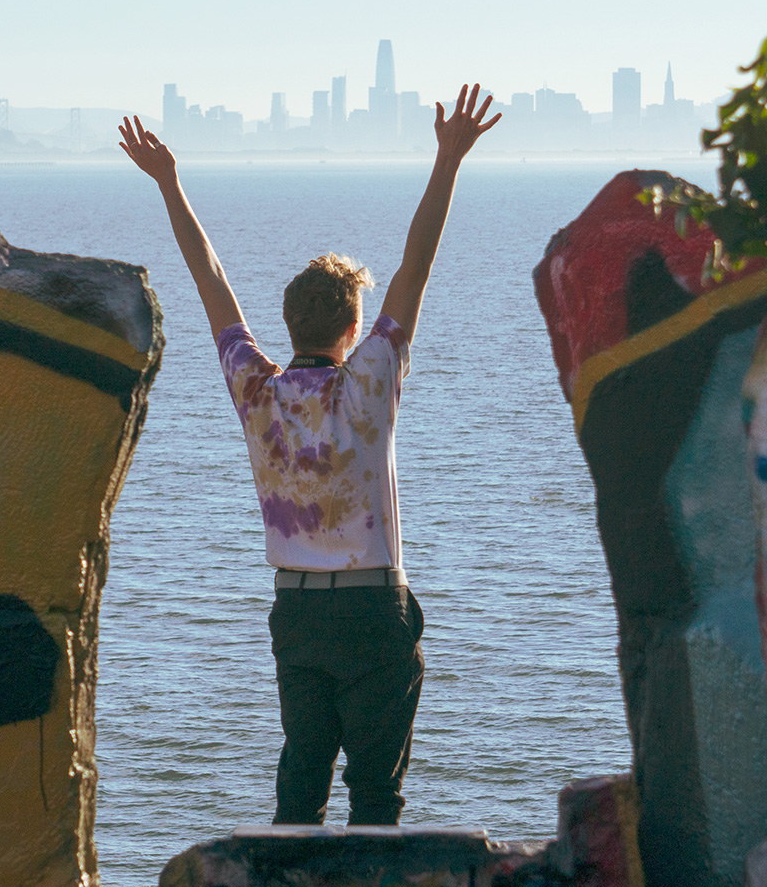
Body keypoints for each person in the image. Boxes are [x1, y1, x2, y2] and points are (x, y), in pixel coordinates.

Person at [118, 85, 500, 825]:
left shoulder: (257, 393)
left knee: (300, 784)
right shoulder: (371, 385)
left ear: (289, 323)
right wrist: (448, 160)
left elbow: (210, 281)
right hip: (371, 609)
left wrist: (169, 182)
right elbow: (414, 271)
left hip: (294, 610)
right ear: (355, 329)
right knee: (377, 795)